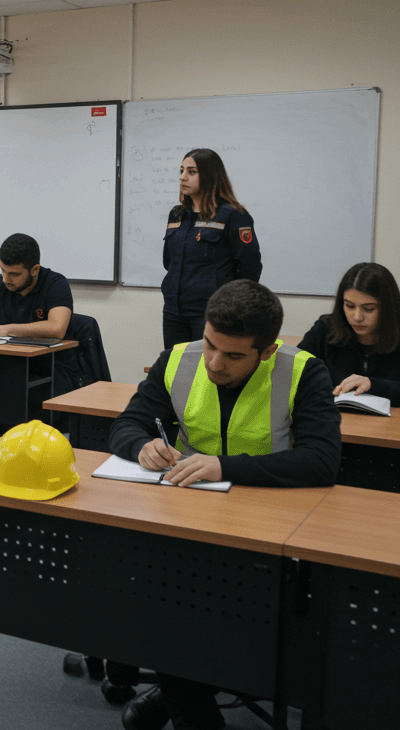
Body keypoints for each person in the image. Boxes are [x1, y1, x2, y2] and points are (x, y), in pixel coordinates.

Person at [109, 280, 340, 730]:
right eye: (211, 344)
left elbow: (321, 461)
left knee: (191, 621)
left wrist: (225, 467)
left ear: (267, 351)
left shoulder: (303, 371)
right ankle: (187, 695)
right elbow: (127, 423)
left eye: (233, 355)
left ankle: (179, 696)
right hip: (185, 523)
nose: (214, 362)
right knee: (151, 603)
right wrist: (141, 446)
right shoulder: (179, 357)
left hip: (269, 533)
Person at [161, 148, 261, 349]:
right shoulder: (177, 215)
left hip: (211, 313)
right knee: (177, 371)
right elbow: (169, 261)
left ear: (209, 176)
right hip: (174, 311)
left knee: (208, 373)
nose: (182, 178)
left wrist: (230, 307)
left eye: (191, 172)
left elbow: (249, 269)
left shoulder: (233, 215)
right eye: (181, 171)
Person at [299, 262, 400, 402]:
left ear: (388, 307)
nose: (357, 317)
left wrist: (374, 385)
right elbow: (296, 369)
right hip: (335, 419)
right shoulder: (325, 329)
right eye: (350, 306)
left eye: (369, 309)